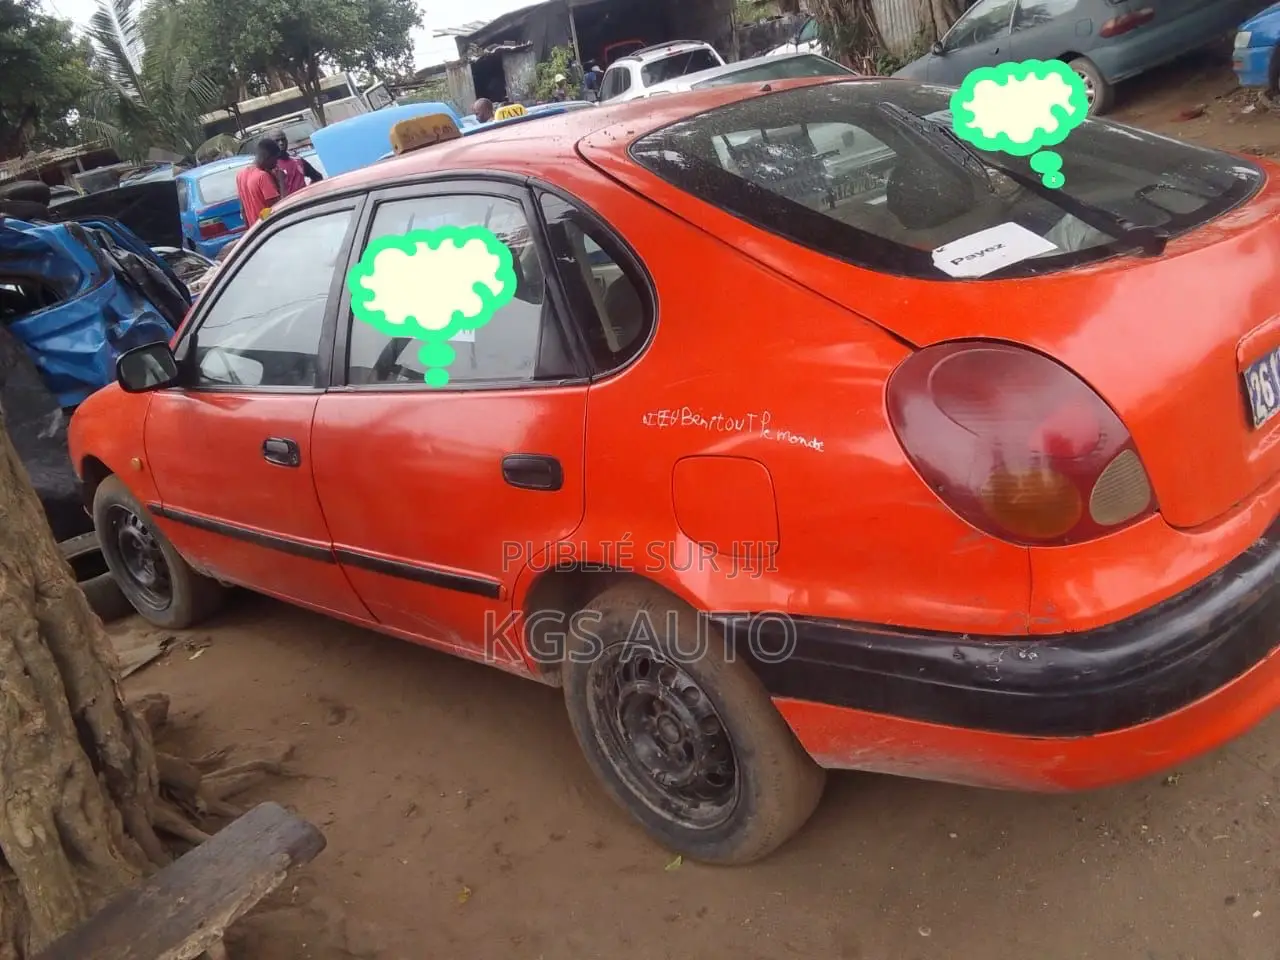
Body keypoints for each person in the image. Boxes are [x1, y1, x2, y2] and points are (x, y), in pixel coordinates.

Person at [236, 139, 281, 225]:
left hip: (255, 230)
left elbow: (242, 209)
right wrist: (280, 181)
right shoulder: (263, 176)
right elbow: (277, 208)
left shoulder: (240, 175)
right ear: (267, 156)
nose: (276, 163)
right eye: (276, 159)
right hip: (268, 226)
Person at [272, 130, 323, 196]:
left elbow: (317, 177)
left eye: (283, 139)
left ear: (287, 141)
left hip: (303, 199)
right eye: (277, 141)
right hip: (287, 201)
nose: (281, 143)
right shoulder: (271, 166)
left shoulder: (297, 160)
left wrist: (308, 191)